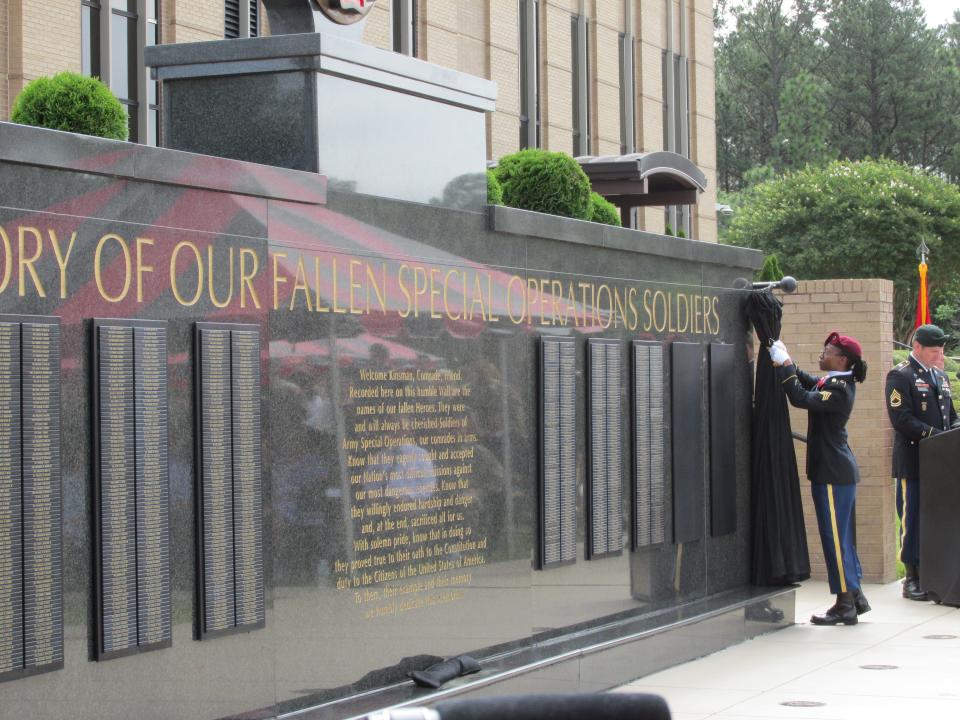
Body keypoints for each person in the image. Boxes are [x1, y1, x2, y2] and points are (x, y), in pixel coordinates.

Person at [770, 332, 870, 625]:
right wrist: (786, 362)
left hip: (832, 473)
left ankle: (844, 604)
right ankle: (855, 593)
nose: (822, 354)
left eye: (827, 351)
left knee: (834, 539)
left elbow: (800, 398)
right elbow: (806, 380)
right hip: (836, 471)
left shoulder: (839, 388)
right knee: (843, 538)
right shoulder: (835, 381)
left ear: (841, 359)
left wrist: (786, 363)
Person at [885, 324, 959, 601]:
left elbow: (950, 413)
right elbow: (901, 419)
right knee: (912, 519)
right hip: (914, 459)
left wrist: (954, 432)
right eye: (933, 351)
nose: (938, 356)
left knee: (936, 520)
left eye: (940, 351)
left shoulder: (939, 376)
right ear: (917, 347)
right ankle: (912, 577)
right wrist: (938, 438)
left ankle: (934, 574)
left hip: (940, 464)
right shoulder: (901, 375)